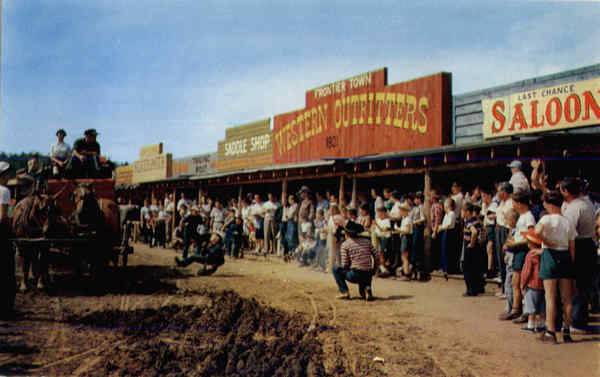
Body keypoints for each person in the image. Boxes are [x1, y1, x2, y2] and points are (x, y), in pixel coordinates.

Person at [535, 190, 576, 344]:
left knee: (550, 297)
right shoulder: (568, 221)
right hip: (565, 255)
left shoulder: (546, 219)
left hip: (550, 255)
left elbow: (537, 231)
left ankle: (550, 332)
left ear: (550, 204)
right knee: (567, 298)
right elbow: (572, 246)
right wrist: (572, 264)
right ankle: (566, 331)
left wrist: (547, 240)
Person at [559, 177, 596, 333]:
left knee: (577, 284)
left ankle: (577, 321)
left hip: (578, 244)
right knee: (584, 284)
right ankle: (580, 318)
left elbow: (568, 230)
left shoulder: (575, 208)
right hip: (588, 243)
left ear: (566, 191)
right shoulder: (586, 202)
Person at [499, 192, 536, 321]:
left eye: (514, 202)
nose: (513, 205)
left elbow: (531, 235)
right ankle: (516, 308)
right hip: (517, 250)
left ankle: (523, 311)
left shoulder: (528, 217)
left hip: (522, 250)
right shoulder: (522, 216)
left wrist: (516, 243)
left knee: (520, 282)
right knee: (516, 282)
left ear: (520, 203)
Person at [333, 221, 379, 301]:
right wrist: (374, 269)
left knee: (336, 268)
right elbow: (376, 256)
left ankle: (344, 292)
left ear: (346, 234)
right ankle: (367, 288)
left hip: (355, 274)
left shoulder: (345, 244)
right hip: (367, 274)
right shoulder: (367, 242)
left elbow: (345, 264)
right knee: (363, 291)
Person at [520, 229, 546, 332]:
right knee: (542, 306)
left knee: (531, 306)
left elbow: (526, 271)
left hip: (532, 285)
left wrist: (522, 284)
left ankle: (531, 325)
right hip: (542, 284)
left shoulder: (530, 255)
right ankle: (542, 324)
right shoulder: (542, 254)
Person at [0, 162, 16, 319]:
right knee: (6, 272)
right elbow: (3, 216)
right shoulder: (4, 191)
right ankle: (5, 310)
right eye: (7, 174)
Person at [461, 202, 485, 296]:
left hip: (470, 245)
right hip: (477, 246)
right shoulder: (477, 220)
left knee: (467, 268)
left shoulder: (469, 221)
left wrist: (471, 243)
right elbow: (483, 230)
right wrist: (481, 240)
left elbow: (474, 232)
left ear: (467, 212)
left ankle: (470, 290)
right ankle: (477, 288)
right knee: (475, 268)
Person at [495, 182, 514, 292]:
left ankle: (507, 289)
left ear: (505, 192)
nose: (498, 193)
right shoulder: (502, 203)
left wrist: (508, 239)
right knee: (500, 258)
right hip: (499, 229)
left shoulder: (510, 203)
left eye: (500, 191)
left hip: (505, 230)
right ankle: (503, 287)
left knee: (505, 258)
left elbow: (510, 222)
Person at [437, 198, 457, 281]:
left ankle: (448, 269)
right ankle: (445, 268)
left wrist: (441, 227)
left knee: (447, 250)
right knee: (444, 250)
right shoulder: (446, 214)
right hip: (445, 232)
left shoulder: (452, 213)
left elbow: (448, 225)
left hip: (449, 232)